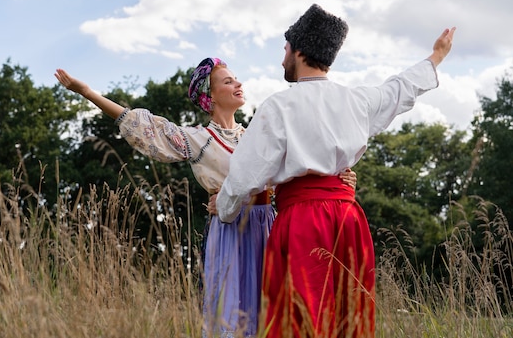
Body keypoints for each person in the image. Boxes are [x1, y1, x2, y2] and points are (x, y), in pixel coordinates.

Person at [55, 59, 357, 337]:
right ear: (210, 97)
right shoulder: (199, 139)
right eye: (228, 81)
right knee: (229, 313)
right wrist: (86, 92)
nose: (238, 84)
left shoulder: (258, 135)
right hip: (228, 230)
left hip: (268, 228)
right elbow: (144, 127)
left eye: (236, 79)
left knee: (272, 312)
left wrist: (341, 176)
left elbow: (300, 164)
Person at [215, 4, 456, 338]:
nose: (282, 56)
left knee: (297, 320)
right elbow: (399, 89)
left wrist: (224, 210)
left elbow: (245, 175)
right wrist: (435, 58)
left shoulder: (279, 106)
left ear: (298, 51)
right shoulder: (357, 101)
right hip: (348, 220)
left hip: (300, 221)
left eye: (285, 48)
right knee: (346, 320)